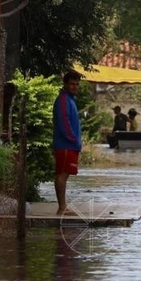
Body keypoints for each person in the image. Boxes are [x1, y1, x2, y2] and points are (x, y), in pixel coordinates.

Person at [53, 70, 82, 216]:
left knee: (65, 174)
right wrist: (73, 139)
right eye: (72, 84)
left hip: (70, 145)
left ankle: (63, 206)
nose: (75, 87)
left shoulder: (70, 100)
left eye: (77, 84)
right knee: (62, 174)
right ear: (65, 84)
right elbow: (64, 122)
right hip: (65, 145)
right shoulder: (63, 100)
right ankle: (62, 207)